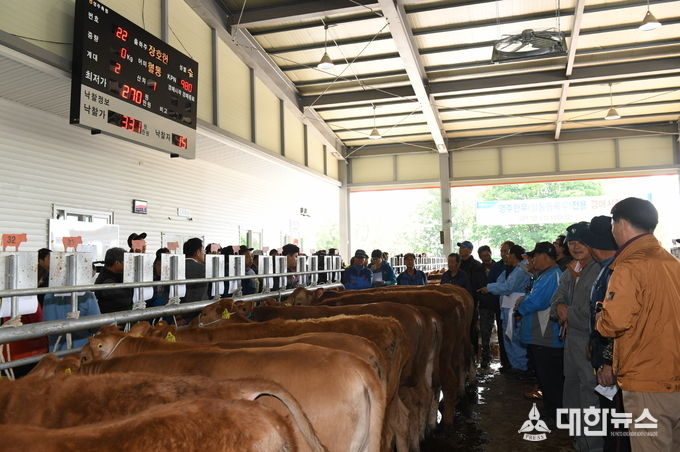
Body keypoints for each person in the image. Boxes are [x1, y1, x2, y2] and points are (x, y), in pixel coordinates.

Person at [597, 197, 680, 452]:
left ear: (621, 223)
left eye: (613, 224)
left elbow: (613, 323)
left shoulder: (629, 266)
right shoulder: (672, 263)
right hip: (674, 373)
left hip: (646, 378)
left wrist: (600, 315)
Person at [551, 221, 603, 452]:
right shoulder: (570, 270)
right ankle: (577, 440)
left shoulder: (600, 270)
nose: (575, 246)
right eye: (571, 242)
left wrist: (567, 312)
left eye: (581, 241)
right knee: (571, 390)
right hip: (571, 341)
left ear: (592, 243)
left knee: (590, 394)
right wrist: (560, 307)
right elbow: (556, 300)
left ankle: (592, 446)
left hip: (589, 341)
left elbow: (595, 315)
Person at [582, 215, 631, 451]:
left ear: (593, 245)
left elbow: (619, 322)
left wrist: (609, 362)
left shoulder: (617, 271)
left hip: (616, 362)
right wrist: (593, 344)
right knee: (611, 420)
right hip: (605, 354)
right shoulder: (607, 269)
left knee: (617, 425)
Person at [515, 242, 563, 427]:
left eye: (535, 256)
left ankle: (555, 415)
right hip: (540, 335)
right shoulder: (545, 275)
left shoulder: (552, 276)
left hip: (547, 337)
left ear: (544, 256)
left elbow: (537, 301)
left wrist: (521, 306)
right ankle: (551, 411)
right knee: (545, 377)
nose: (532, 260)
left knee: (550, 378)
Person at [480, 244, 531, 373]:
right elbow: (501, 282)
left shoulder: (521, 270)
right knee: (509, 336)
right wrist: (492, 287)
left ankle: (521, 367)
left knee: (515, 337)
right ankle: (515, 365)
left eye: (507, 253)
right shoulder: (511, 268)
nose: (504, 256)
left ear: (513, 255)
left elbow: (508, 287)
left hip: (514, 307)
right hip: (508, 306)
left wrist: (489, 288)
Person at [476, 243, 510, 369]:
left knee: (503, 331)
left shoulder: (499, 266)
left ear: (491, 253)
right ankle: (486, 357)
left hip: (499, 303)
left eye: (487, 255)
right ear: (480, 257)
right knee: (485, 332)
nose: (486, 257)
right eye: (483, 256)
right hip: (485, 304)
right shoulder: (477, 270)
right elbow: (476, 286)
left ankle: (505, 359)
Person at [94, 247, 133, 313]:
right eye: (125, 262)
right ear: (117, 263)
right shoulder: (107, 281)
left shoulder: (113, 274)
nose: (127, 265)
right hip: (112, 317)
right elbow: (126, 300)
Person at [181, 238, 208, 322]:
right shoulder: (202, 268)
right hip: (195, 314)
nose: (204, 253)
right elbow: (201, 296)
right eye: (203, 250)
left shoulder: (176, 266)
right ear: (197, 252)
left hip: (176, 312)